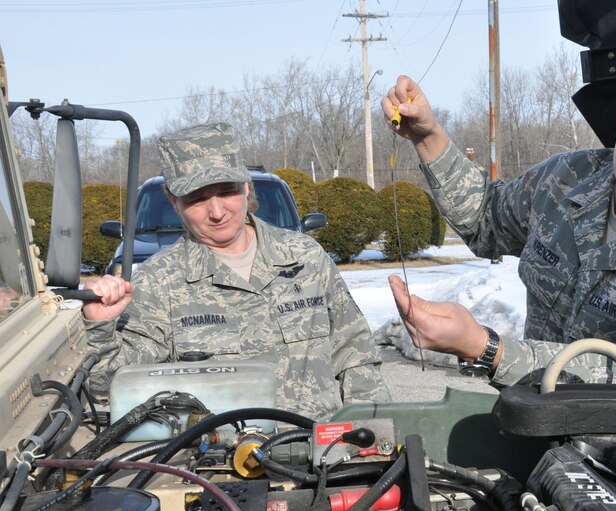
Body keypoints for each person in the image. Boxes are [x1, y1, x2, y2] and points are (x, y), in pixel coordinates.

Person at [381, 23, 616, 420]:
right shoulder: (566, 180)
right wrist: (428, 137)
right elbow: (486, 216)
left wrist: (486, 348)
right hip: (548, 444)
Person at [82, 122, 390, 420]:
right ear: (173, 201)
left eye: (226, 191)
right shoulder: (159, 281)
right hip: (217, 465)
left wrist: (369, 434)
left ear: (246, 186)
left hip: (321, 452)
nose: (216, 212)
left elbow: (356, 352)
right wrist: (100, 330)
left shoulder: (304, 258)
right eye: (197, 198)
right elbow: (111, 390)